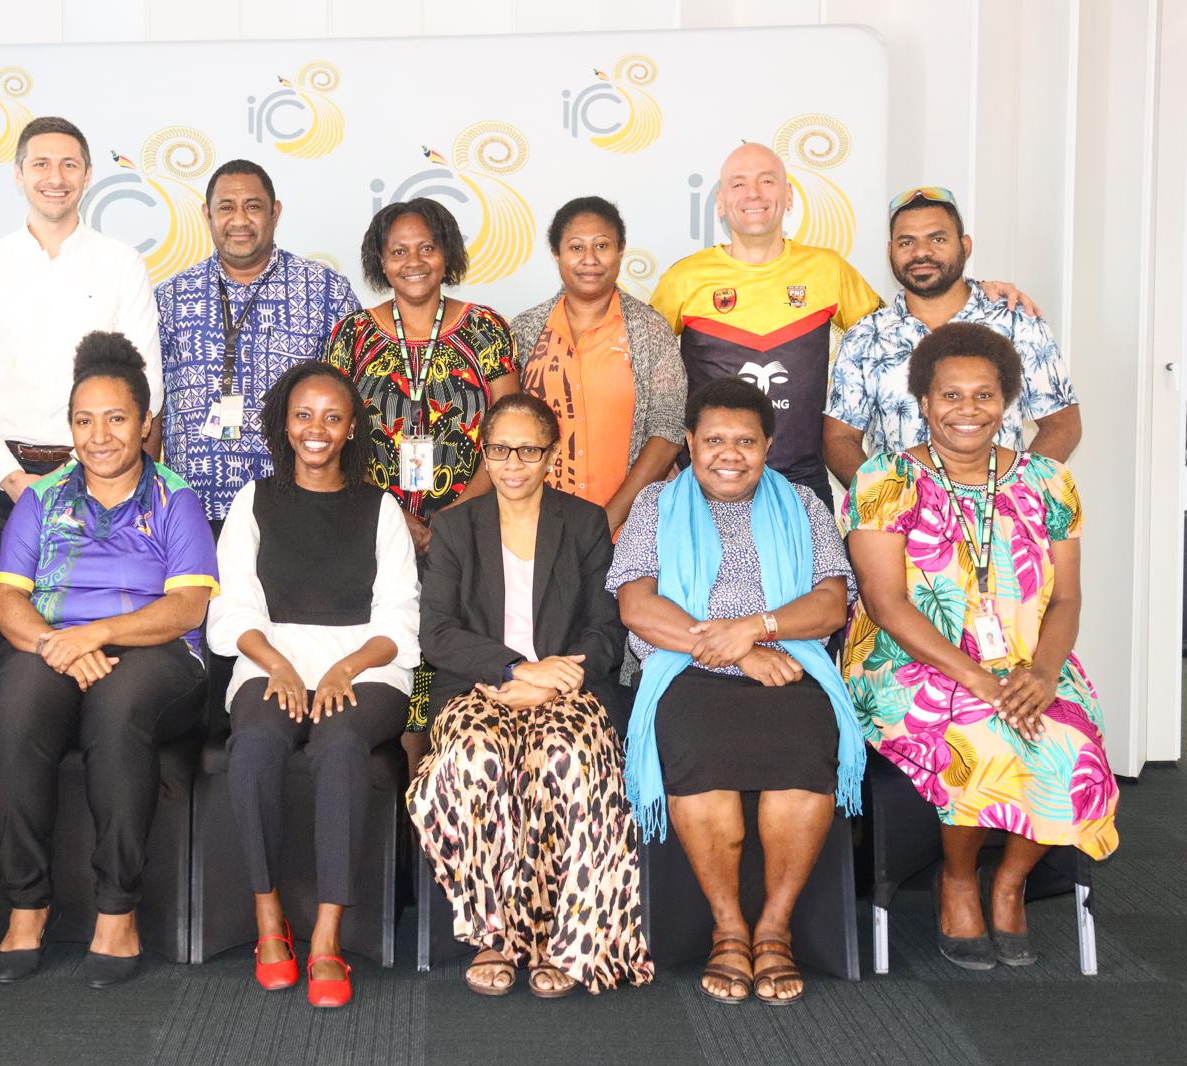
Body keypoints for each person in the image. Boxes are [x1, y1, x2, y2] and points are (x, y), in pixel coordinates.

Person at [841, 322, 1117, 971]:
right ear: (924, 401)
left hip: (1027, 658)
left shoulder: (1049, 481)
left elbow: (1067, 600)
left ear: (1005, 402)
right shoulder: (885, 478)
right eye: (951, 395)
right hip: (907, 661)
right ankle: (959, 878)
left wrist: (1043, 673)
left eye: (984, 395)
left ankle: (1010, 881)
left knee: (1073, 747)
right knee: (980, 742)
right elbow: (886, 604)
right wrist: (979, 680)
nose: (967, 409)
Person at [608, 376, 865, 1005]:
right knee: (700, 755)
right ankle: (727, 927)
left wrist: (756, 628)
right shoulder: (654, 504)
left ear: (768, 445)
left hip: (789, 665)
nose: (730, 453)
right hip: (685, 671)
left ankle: (774, 928)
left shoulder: (802, 504)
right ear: (689, 443)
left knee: (804, 755)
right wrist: (737, 651)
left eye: (746, 441)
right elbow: (637, 606)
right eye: (714, 440)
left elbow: (830, 604)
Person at [0, 331, 217, 989]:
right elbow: (6, 603)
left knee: (117, 712)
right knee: (15, 711)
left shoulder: (175, 499)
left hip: (159, 654)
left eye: (116, 419)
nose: (99, 436)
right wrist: (59, 645)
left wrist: (97, 634)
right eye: (84, 421)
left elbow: (187, 609)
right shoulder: (42, 498)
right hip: (55, 646)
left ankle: (118, 911)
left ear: (145, 424)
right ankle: (27, 904)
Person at [408, 394, 654, 999]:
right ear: (484, 453)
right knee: (475, 762)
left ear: (551, 455)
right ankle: (494, 935)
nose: (512, 465)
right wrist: (516, 671)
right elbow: (437, 633)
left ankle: (555, 941)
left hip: (568, 688)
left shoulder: (585, 523)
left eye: (528, 451)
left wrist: (551, 680)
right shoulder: (455, 527)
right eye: (499, 450)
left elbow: (606, 629)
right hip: (480, 687)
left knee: (565, 759)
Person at [651, 143, 1037, 510]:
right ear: (720, 202)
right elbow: (643, 371)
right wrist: (662, 462)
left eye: (767, 180)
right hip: (707, 481)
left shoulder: (828, 269)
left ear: (789, 197)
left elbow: (902, 326)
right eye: (738, 184)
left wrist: (974, 290)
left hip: (801, 485)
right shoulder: (684, 278)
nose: (753, 193)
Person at [206, 362, 419, 1009]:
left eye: (332, 417)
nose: (316, 429)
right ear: (284, 424)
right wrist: (277, 664)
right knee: (255, 744)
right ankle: (268, 917)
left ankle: (327, 935)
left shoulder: (381, 508)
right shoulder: (253, 501)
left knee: (341, 743)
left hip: (365, 665)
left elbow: (400, 619)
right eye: (303, 415)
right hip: (270, 659)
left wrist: (345, 668)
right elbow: (232, 610)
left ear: (352, 428)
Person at [325, 197, 519, 732]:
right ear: (380, 262)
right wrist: (395, 517)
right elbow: (336, 437)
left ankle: (449, 759)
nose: (413, 261)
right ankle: (394, 765)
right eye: (398, 251)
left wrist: (454, 515)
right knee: (390, 656)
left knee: (454, 660)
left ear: (447, 254)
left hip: (472, 526)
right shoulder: (352, 336)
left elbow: (509, 435)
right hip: (375, 529)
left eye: (426, 248)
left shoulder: (486, 329)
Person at [0, 116, 163, 509]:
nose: (56, 178)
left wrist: (79, 470)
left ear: (88, 174)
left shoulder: (122, 264)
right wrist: (9, 476)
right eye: (41, 164)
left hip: (97, 474)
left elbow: (144, 381)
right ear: (19, 174)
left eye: (69, 165)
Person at [824, 186, 1082, 487]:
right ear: (890, 250)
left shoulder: (1015, 320)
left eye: (937, 239)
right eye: (907, 242)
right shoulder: (866, 336)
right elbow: (839, 438)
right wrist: (885, 501)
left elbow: (1062, 424)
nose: (921, 252)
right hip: (899, 515)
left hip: (998, 512)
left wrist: (1014, 495)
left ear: (965, 246)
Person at [155, 159, 361, 527]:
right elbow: (149, 404)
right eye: (226, 207)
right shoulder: (170, 297)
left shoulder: (326, 291)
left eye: (252, 206)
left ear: (274, 213)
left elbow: (354, 400)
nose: (239, 220)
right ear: (207, 214)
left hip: (297, 510)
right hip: (191, 511)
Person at [509, 196, 685, 535]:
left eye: (602, 246)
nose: (589, 259)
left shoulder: (651, 331)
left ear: (621, 250)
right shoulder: (526, 330)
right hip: (539, 529)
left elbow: (668, 429)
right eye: (576, 247)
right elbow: (507, 430)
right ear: (556, 254)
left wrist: (609, 519)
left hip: (628, 531)